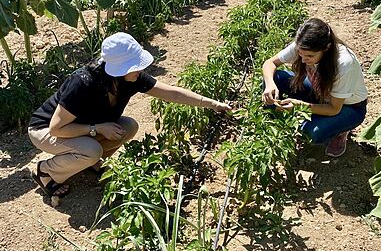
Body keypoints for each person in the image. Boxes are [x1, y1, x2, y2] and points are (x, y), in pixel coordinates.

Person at [28, 32, 231, 197]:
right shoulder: (83, 83)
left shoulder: (129, 78)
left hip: (81, 128)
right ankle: (46, 172)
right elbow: (57, 128)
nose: (141, 69)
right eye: (135, 66)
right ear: (118, 68)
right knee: (91, 150)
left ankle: (89, 163)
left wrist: (211, 104)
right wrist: (97, 129)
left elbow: (172, 93)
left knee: (128, 127)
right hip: (47, 131)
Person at [262, 18, 368, 157]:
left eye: (310, 56)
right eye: (300, 54)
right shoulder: (303, 46)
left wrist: (300, 106)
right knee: (276, 78)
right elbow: (270, 63)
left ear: (326, 48)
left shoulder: (344, 63)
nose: (304, 59)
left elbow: (334, 108)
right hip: (319, 93)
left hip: (348, 107)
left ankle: (340, 131)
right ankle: (277, 124)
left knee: (313, 133)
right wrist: (270, 84)